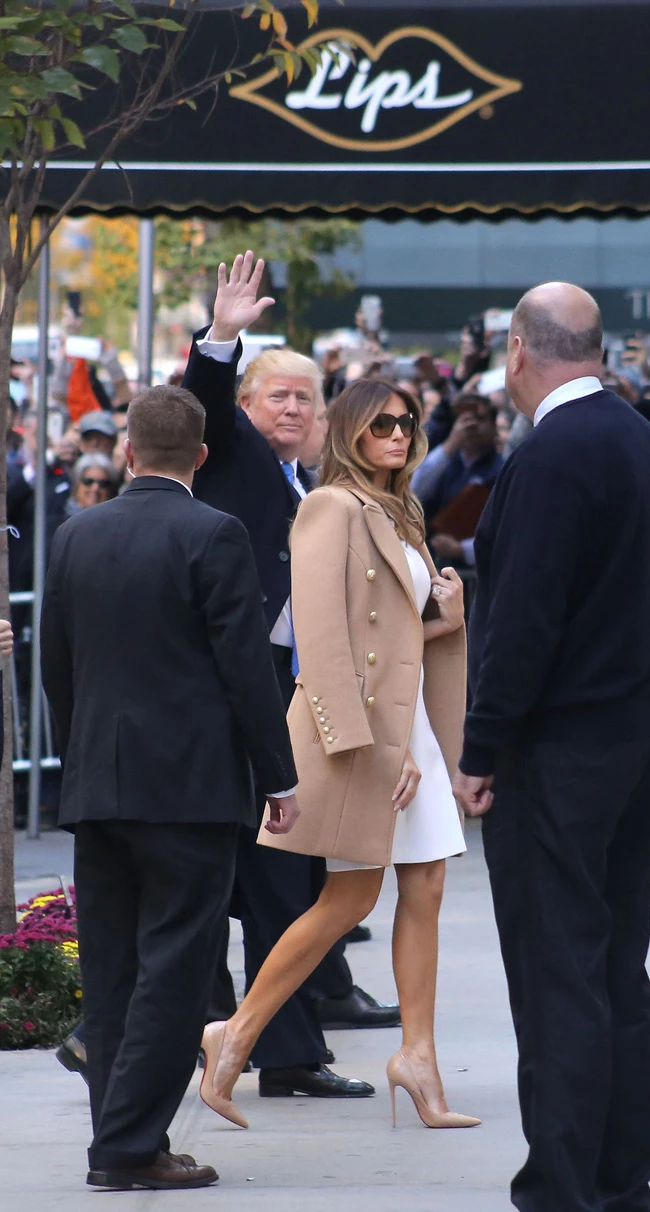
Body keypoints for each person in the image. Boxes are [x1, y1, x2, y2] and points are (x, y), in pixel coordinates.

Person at [199, 377, 480, 1134]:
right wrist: (369, 747)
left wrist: (445, 620)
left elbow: (388, 640)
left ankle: (417, 1058)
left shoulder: (404, 509)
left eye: (408, 421)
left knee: (424, 892)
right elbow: (320, 644)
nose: (398, 432)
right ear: (352, 429)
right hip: (360, 736)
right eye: (382, 422)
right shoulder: (329, 508)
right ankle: (237, 1031)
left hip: (407, 725)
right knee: (346, 901)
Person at [41, 384, 299, 1191]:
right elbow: (246, 669)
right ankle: (128, 1147)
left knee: (113, 971)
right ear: (201, 456)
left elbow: (58, 664)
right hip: (189, 790)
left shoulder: (76, 534)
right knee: (176, 969)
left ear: (125, 450)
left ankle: (117, 1138)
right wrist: (278, 775)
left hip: (98, 782)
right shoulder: (213, 533)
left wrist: (77, 756)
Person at [182, 252, 400, 1102]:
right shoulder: (229, 452)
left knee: (286, 872)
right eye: (279, 394)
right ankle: (273, 1047)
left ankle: (274, 1043)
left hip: (295, 694)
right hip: (246, 693)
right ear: (244, 410)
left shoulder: (305, 480)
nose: (297, 408)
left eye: (307, 398)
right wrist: (224, 335)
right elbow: (198, 401)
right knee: (271, 871)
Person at [453, 282, 650, 1212]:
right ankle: (617, 1175)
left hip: (561, 753)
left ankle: (564, 1186)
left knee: (559, 970)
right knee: (616, 966)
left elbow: (521, 624)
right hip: (629, 742)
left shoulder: (551, 458)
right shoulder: (636, 441)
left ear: (520, 354)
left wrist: (480, 749)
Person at [412, 393, 503, 569]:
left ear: (494, 426)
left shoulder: (502, 468)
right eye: (465, 419)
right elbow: (414, 490)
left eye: (480, 418)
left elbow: (505, 528)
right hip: (434, 562)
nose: (472, 425)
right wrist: (451, 443)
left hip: (478, 568)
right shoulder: (444, 460)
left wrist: (462, 549)